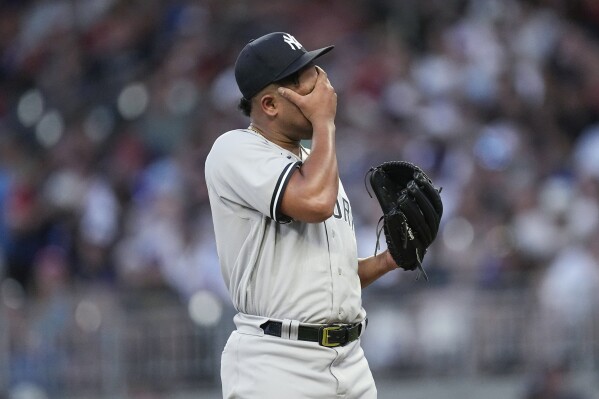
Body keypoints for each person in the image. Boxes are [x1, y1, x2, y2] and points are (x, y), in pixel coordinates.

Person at [205, 31, 400, 399]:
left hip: (350, 362)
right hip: (277, 361)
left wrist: (388, 261)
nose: (321, 83)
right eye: (300, 78)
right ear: (270, 104)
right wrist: (325, 123)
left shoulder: (317, 165)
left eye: (312, 68)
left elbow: (332, 278)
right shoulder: (234, 150)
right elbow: (315, 204)